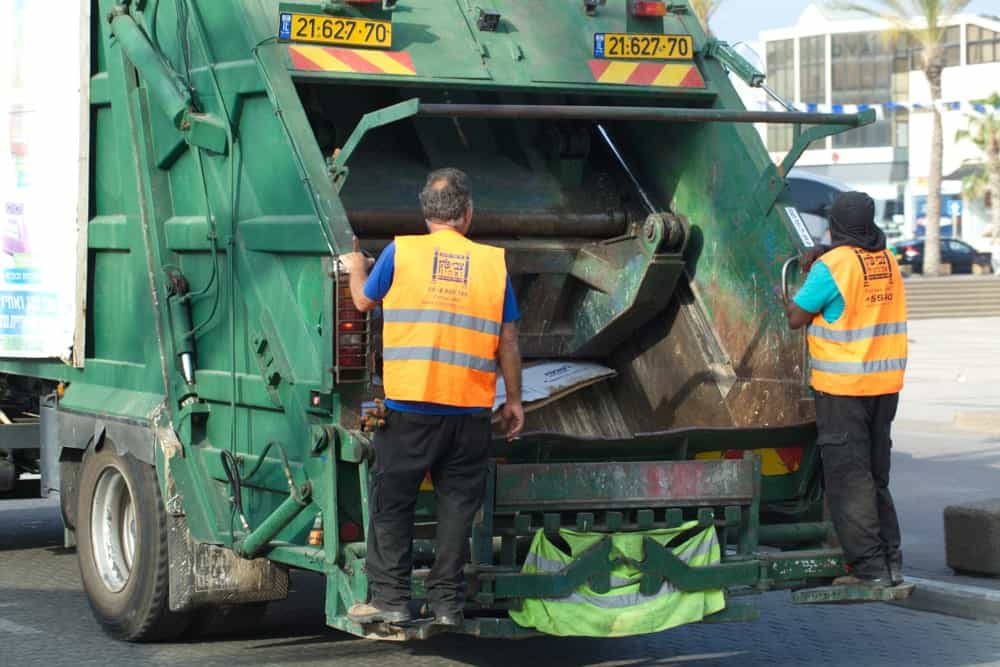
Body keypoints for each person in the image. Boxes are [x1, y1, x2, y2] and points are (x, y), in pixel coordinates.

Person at [340, 167, 525, 627]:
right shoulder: (492, 264)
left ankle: (392, 600)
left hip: (409, 409)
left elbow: (363, 302)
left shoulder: (401, 252)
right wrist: (515, 401)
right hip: (469, 412)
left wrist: (356, 266)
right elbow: (509, 341)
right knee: (458, 509)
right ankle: (446, 604)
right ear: (468, 214)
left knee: (393, 501)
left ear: (426, 214)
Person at [784, 191, 908, 588]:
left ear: (835, 225)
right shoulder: (887, 261)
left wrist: (789, 289)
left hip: (843, 389)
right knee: (876, 476)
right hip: (885, 385)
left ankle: (869, 570)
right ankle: (890, 562)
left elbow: (796, 317)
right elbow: (862, 256)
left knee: (848, 479)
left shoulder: (831, 267)